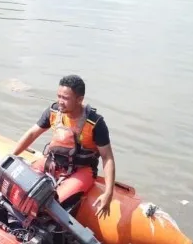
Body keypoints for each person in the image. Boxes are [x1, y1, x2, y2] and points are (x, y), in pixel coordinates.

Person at [12, 74, 116, 218]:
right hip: (53, 162)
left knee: (51, 204)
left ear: (80, 99)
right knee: (19, 189)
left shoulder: (95, 123)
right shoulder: (53, 112)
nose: (60, 101)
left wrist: (108, 193)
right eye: (59, 96)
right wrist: (12, 155)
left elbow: (107, 157)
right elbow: (32, 134)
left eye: (65, 98)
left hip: (81, 170)